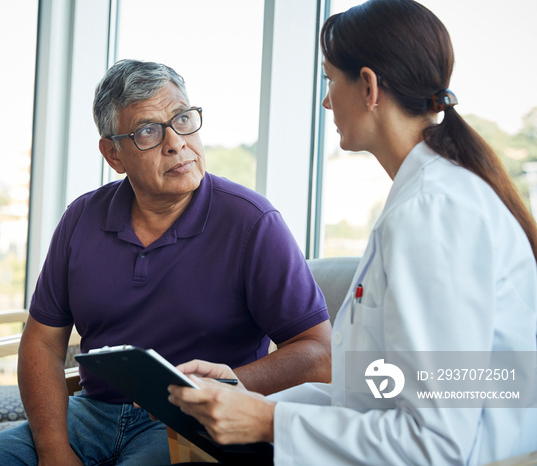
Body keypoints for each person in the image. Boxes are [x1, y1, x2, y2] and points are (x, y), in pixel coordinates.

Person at [167, 1, 537, 464]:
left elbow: (435, 444)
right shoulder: (423, 198)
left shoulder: (433, 212)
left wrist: (267, 421)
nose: (326, 100)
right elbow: (372, 398)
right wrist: (244, 399)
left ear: (368, 86)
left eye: (329, 80)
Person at [0, 59, 331, 466]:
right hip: (89, 415)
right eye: (148, 130)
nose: (176, 142)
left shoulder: (253, 221)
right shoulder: (81, 219)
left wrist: (228, 384)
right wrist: (55, 450)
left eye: (182, 118)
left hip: (190, 423)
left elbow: (319, 354)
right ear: (113, 154)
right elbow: (41, 341)